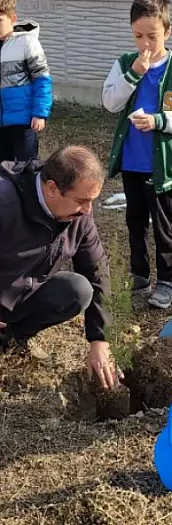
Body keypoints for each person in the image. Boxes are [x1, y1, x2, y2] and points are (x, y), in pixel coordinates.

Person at [101, 0, 172, 310]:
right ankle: (139, 274)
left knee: (164, 224)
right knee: (134, 220)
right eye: (138, 36)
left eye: (152, 36)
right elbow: (110, 102)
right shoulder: (124, 64)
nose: (145, 43)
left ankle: (166, 281)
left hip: (163, 167)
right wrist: (134, 73)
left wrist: (159, 120)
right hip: (133, 161)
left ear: (167, 32)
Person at [0, 145, 120, 391]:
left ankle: (11, 339)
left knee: (77, 291)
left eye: (92, 201)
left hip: (22, 294)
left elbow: (97, 271)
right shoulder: (5, 200)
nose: (88, 210)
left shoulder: (79, 217)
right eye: (82, 201)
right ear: (52, 188)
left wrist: (100, 339)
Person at [0, 0, 53, 162]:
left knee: (26, 167)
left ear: (13, 19)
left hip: (24, 120)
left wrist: (40, 113)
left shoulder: (26, 42)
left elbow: (42, 79)